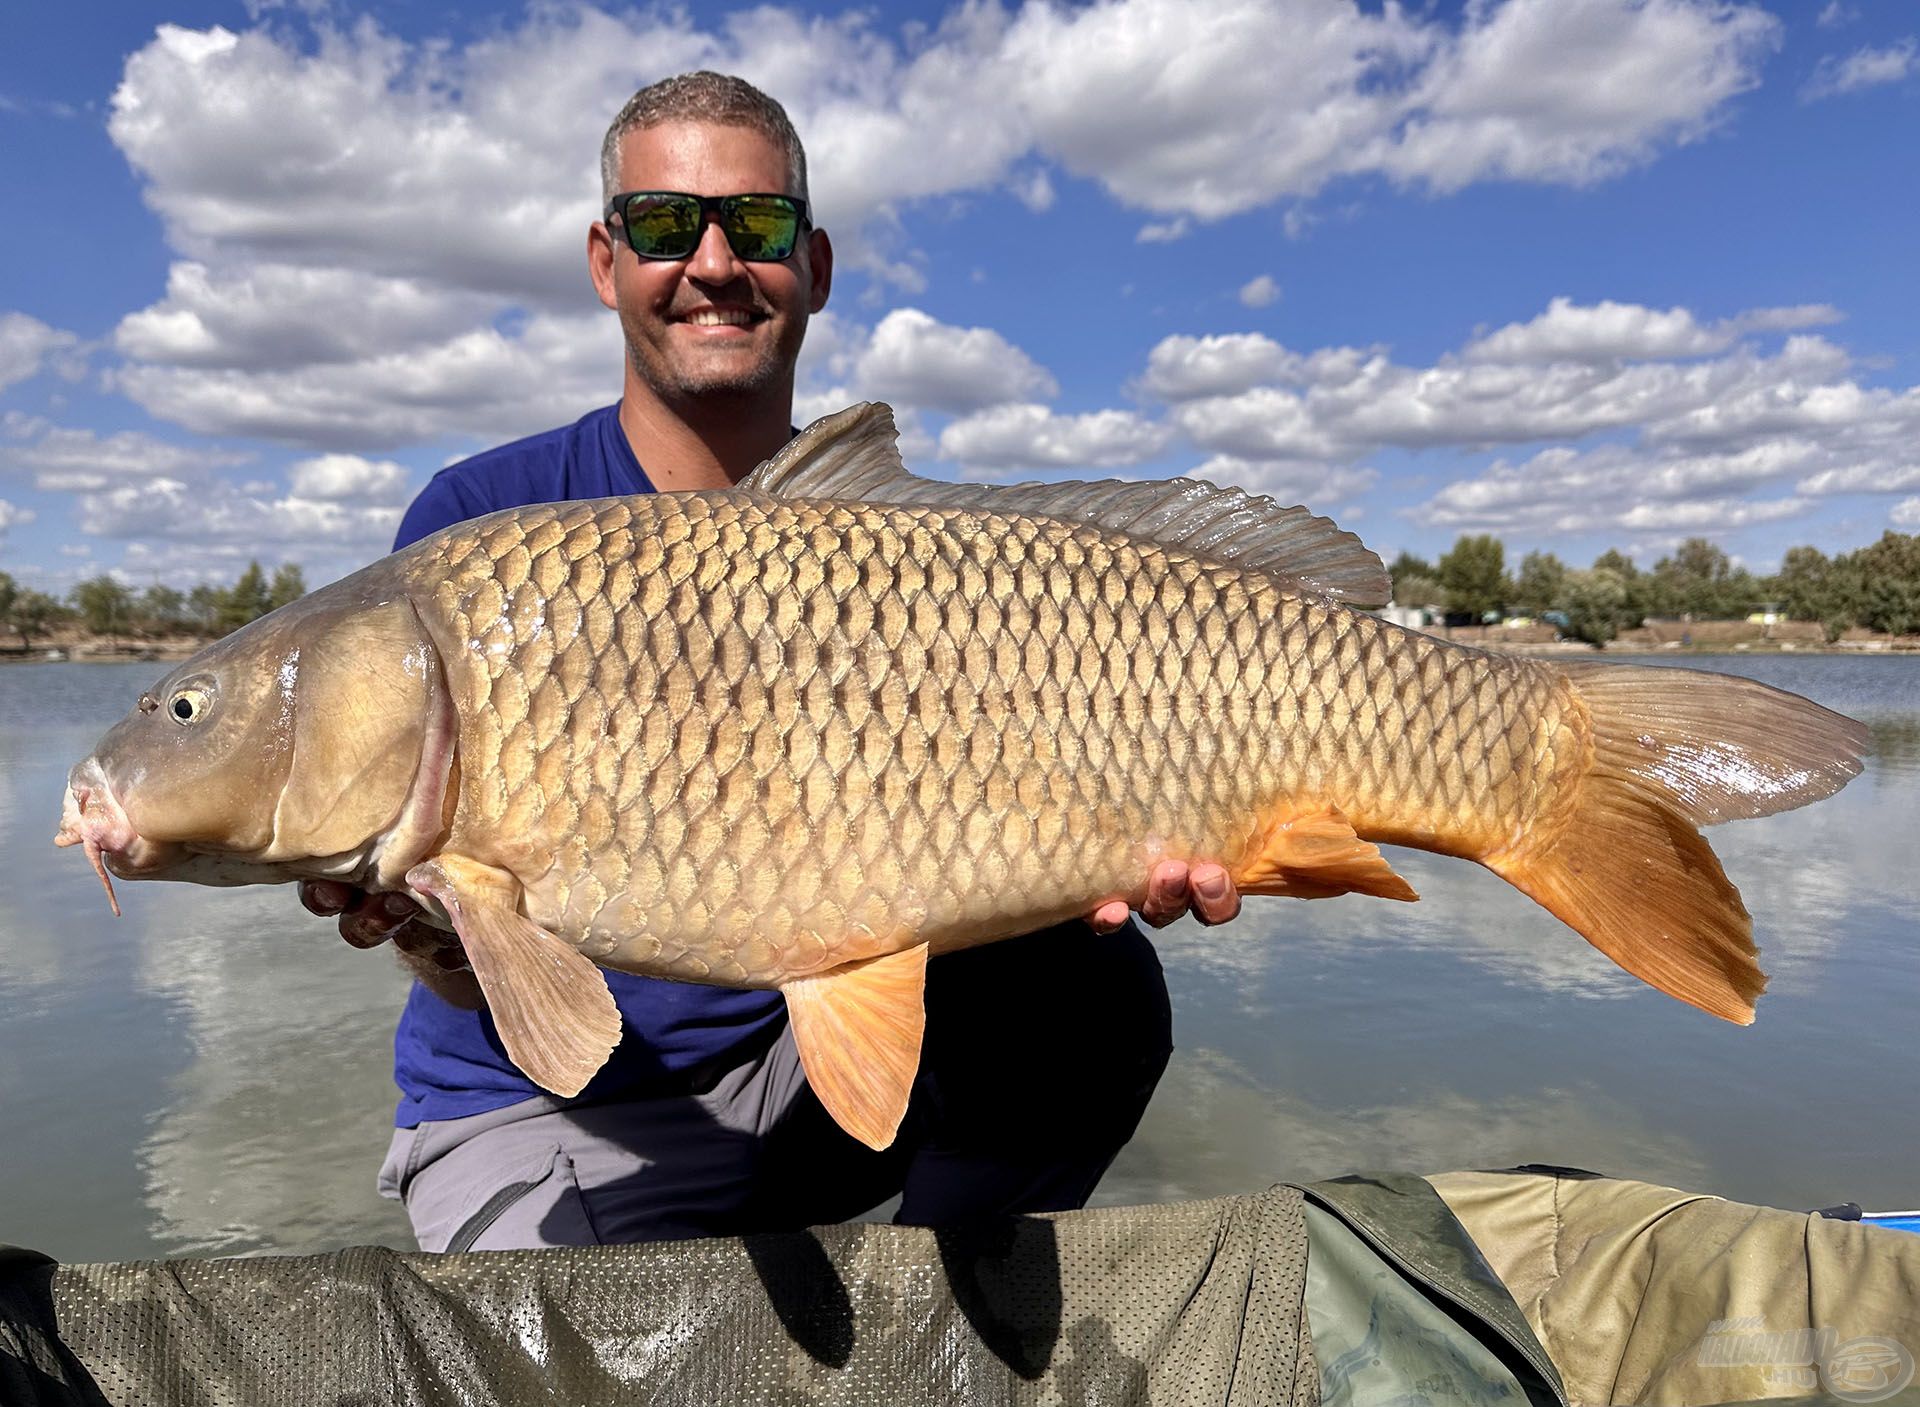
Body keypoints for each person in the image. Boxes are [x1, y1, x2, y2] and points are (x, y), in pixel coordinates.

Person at [302, 72, 1240, 1251]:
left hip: (817, 1080)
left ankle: (932, 1317)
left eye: (755, 226)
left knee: (1091, 986)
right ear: (606, 262)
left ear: (816, 265)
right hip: (549, 1111)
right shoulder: (477, 527)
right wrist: (427, 926)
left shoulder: (899, 550)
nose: (709, 262)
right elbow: (475, 983)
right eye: (661, 225)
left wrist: (1110, 857)